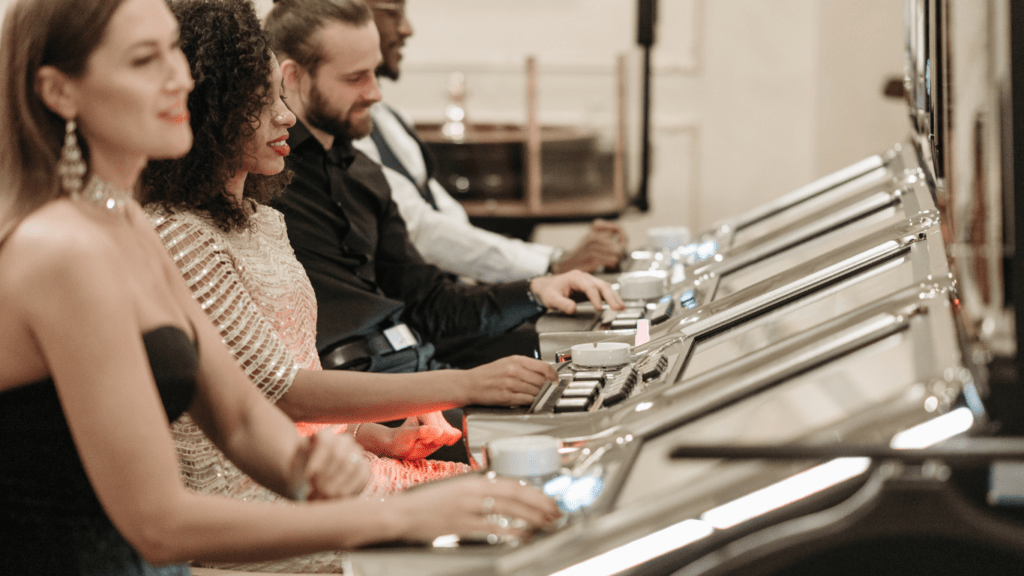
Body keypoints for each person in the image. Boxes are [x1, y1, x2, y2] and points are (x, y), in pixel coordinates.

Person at [0, 0, 559, 573]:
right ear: (59, 92)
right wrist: (400, 515)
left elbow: (242, 419)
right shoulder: (60, 250)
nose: (181, 78)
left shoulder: (128, 224)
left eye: (174, 49)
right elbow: (159, 525)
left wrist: (316, 462)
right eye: (146, 60)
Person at [264, 0, 626, 375]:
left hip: (413, 371)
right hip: (360, 409)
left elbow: (428, 303)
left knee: (586, 360)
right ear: (291, 77)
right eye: (356, 78)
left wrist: (536, 290)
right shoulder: (268, 183)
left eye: (373, 73)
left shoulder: (363, 171)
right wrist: (463, 387)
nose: (375, 93)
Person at [353, 0, 628, 283]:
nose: (407, 29)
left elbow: (449, 221)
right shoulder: (347, 130)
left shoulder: (392, 118)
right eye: (394, 12)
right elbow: (418, 230)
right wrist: (549, 265)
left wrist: (554, 259)